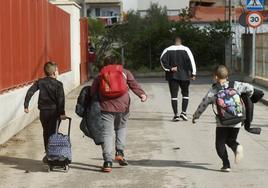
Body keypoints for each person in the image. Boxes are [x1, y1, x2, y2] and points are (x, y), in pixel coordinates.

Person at [192, 65, 254, 172]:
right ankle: (236, 147)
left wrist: (195, 116)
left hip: (222, 122)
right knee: (231, 140)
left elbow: (204, 104)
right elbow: (250, 88)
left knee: (219, 143)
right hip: (238, 120)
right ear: (227, 76)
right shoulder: (236, 85)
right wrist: (246, 96)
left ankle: (226, 164)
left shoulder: (214, 90)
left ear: (216, 77)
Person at [91, 55, 147, 173]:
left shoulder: (101, 74)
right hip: (123, 106)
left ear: (105, 64)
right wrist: (142, 94)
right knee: (121, 128)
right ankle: (120, 152)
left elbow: (93, 91)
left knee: (107, 133)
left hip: (106, 107)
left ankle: (107, 162)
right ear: (118, 63)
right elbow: (134, 85)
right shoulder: (125, 72)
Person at [24, 61, 66, 163]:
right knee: (53, 133)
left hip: (43, 112)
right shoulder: (58, 84)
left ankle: (48, 153)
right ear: (54, 72)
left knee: (46, 132)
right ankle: (52, 155)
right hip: (54, 113)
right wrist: (62, 113)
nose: (58, 72)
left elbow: (30, 91)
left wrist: (26, 105)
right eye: (57, 70)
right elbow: (61, 100)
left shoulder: (40, 82)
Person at [160, 35, 196, 121]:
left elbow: (162, 60)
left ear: (173, 42)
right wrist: (193, 73)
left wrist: (169, 68)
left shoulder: (167, 50)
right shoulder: (186, 49)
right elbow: (192, 61)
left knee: (174, 96)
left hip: (172, 76)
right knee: (185, 94)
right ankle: (183, 113)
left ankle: (176, 115)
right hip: (184, 76)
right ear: (181, 41)